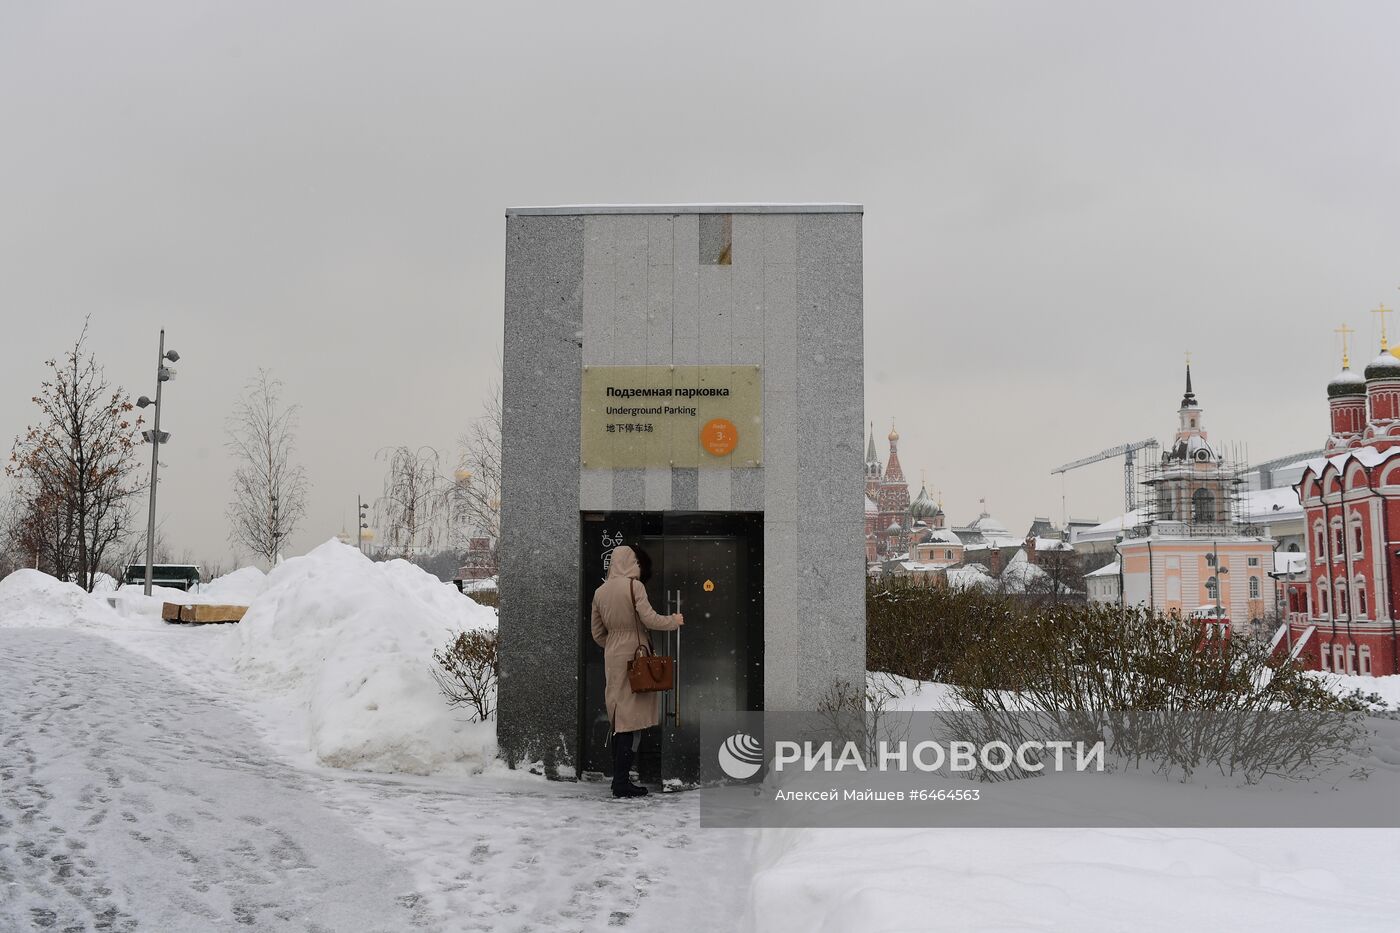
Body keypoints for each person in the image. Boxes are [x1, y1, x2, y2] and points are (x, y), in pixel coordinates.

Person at [590, 545, 683, 798]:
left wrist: (614, 644)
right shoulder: (634, 587)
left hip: (613, 655)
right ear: (630, 563)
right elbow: (650, 618)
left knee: (619, 716)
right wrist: (673, 622)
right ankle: (622, 783)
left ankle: (618, 779)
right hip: (635, 654)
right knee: (631, 721)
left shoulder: (600, 591)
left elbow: (597, 633)